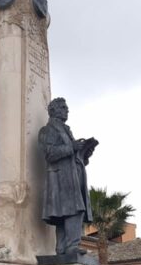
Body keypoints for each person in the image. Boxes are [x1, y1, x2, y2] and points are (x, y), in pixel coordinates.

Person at [38, 98, 98, 256]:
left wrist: (84, 153)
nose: (67, 110)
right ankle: (70, 247)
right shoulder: (48, 130)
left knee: (69, 211)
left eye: (66, 107)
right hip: (61, 178)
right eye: (63, 107)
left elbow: (71, 154)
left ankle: (64, 248)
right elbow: (49, 153)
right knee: (72, 210)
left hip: (73, 175)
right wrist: (72, 147)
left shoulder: (66, 130)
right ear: (53, 110)